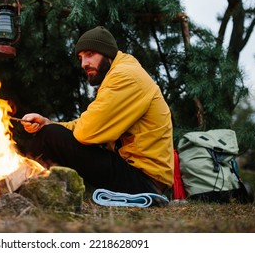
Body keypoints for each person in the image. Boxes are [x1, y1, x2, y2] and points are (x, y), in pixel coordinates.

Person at [21, 26, 174, 195]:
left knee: (50, 135)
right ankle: (29, 185)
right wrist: (49, 123)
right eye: (80, 57)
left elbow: (86, 132)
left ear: (107, 53)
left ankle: (21, 186)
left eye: (90, 54)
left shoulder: (125, 77)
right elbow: (89, 124)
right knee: (50, 130)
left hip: (144, 181)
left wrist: (52, 130)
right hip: (137, 174)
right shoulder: (122, 72)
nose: (84, 63)